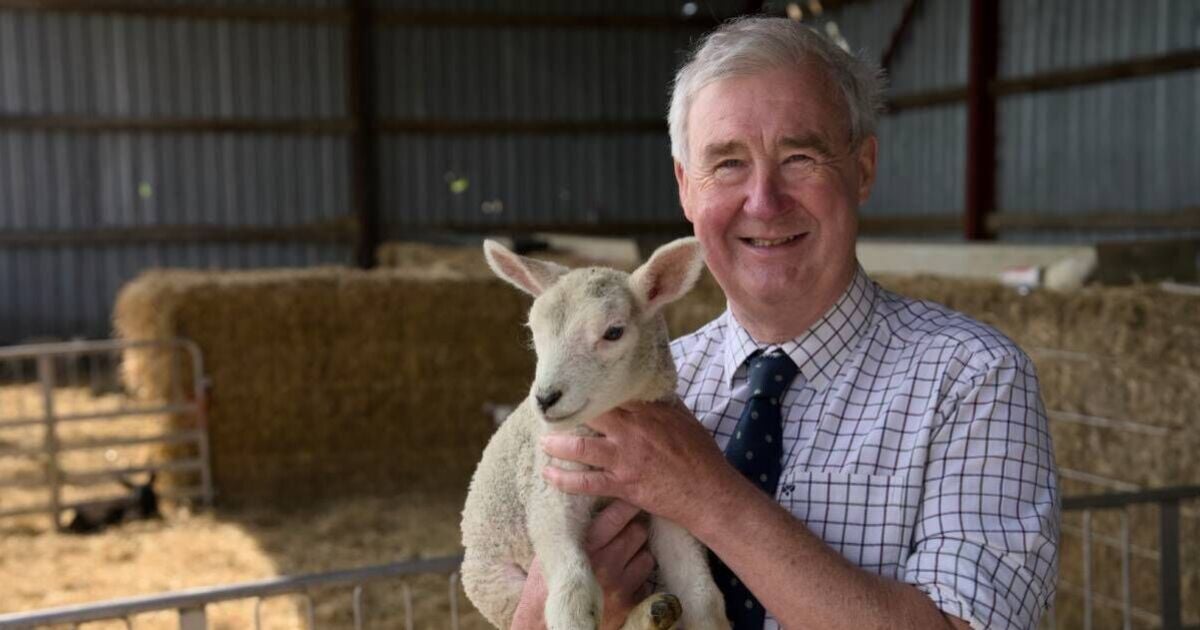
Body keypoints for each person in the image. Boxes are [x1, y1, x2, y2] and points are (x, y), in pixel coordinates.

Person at [511, 16, 1058, 630]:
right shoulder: (631, 384)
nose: (765, 202)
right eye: (727, 164)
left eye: (800, 156)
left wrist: (706, 493)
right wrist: (583, 605)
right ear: (685, 188)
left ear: (864, 169)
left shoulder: (972, 380)